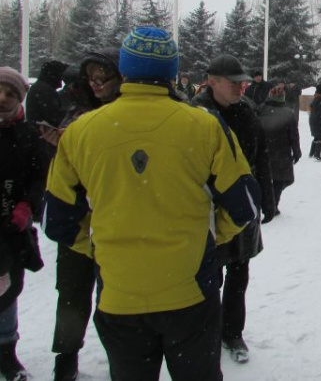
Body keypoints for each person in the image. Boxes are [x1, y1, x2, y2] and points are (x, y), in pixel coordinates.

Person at [44, 27, 261, 381]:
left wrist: (99, 246)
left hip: (119, 294)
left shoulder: (82, 131)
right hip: (189, 291)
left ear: (124, 71)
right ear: (172, 73)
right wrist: (207, 239)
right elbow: (245, 206)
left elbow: (57, 220)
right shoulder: (204, 126)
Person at [191, 53, 275, 363]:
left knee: (240, 273)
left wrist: (267, 199)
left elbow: (260, 157)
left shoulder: (248, 112)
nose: (241, 88)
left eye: (243, 83)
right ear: (212, 82)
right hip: (208, 212)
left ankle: (232, 332)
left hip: (244, 209)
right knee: (209, 278)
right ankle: (207, 333)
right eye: (234, 83)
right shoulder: (194, 115)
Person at [48, 48, 123, 381]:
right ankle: (66, 361)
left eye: (102, 77)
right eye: (91, 78)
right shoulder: (76, 114)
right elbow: (61, 172)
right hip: (78, 230)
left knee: (115, 306)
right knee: (72, 300)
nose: (96, 84)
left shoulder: (126, 117)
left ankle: (123, 361)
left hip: (115, 230)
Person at [0, 67, 46, 381]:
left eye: (11, 93)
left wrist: (26, 206)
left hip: (9, 231)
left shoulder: (29, 135)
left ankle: (6, 353)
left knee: (7, 291)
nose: (3, 98)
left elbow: (39, 177)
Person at [258, 82, 302, 215]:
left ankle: (264, 201)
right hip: (282, 151)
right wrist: (297, 151)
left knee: (263, 177)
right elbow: (294, 135)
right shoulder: (288, 113)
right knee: (279, 180)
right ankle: (273, 204)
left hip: (263, 150)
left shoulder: (260, 109)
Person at [25, 60, 69, 129]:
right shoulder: (45, 91)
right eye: (61, 77)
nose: (61, 83)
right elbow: (54, 117)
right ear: (55, 76)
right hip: (45, 134)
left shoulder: (39, 87)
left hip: (38, 131)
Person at [308, 84, 321, 161]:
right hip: (318, 120)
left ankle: (311, 153)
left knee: (316, 136)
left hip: (313, 119)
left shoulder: (316, 98)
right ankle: (317, 154)